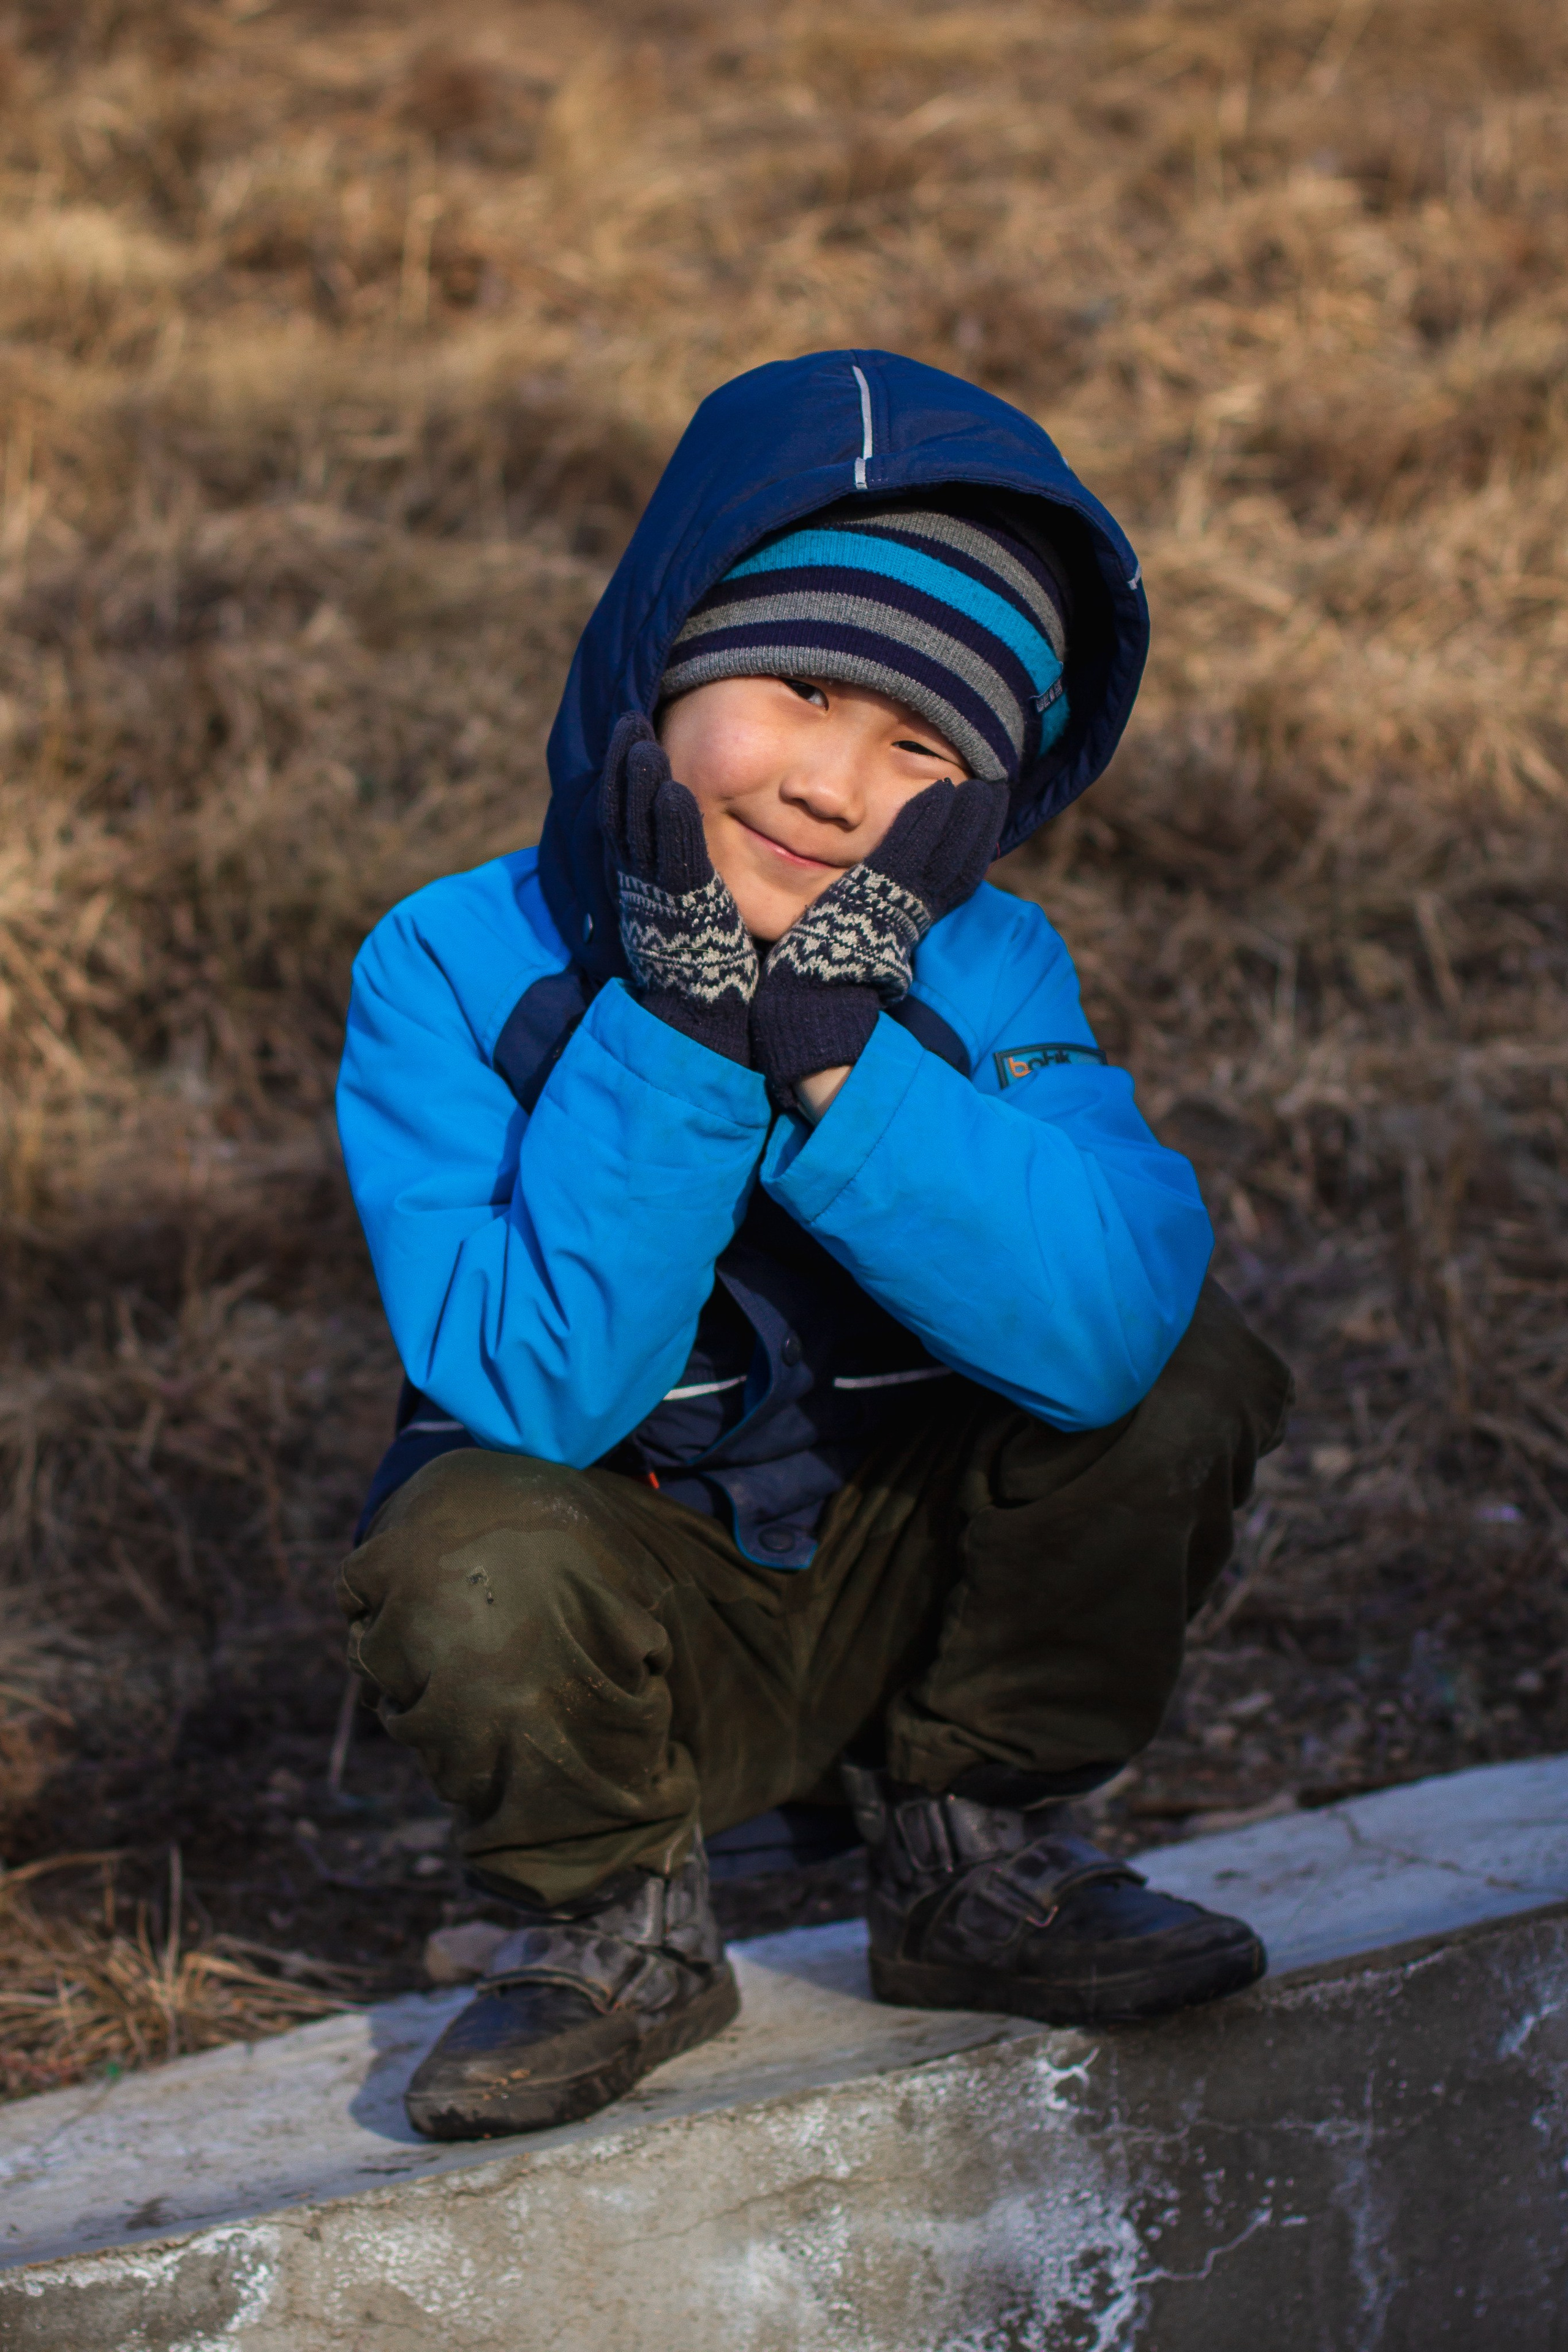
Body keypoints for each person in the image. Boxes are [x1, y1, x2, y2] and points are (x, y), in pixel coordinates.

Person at [334, 350, 1293, 2143]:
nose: (841, 788)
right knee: (462, 1529)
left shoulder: (989, 968)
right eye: (803, 686)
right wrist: (685, 1026)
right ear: (665, 652)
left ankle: (972, 1858)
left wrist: (847, 1060)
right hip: (639, 1628)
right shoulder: (449, 969)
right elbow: (541, 1387)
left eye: (922, 749)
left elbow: (1100, 1338)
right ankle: (614, 1923)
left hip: (921, 1610)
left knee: (1191, 1368)